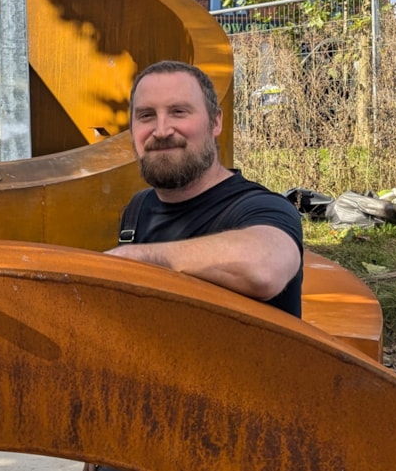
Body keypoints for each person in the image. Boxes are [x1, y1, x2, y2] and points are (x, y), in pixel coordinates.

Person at [104, 60, 303, 318]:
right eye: (146, 116)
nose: (162, 130)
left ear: (215, 122)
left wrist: (137, 258)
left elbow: (264, 269)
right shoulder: (138, 208)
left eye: (179, 112)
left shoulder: (263, 208)